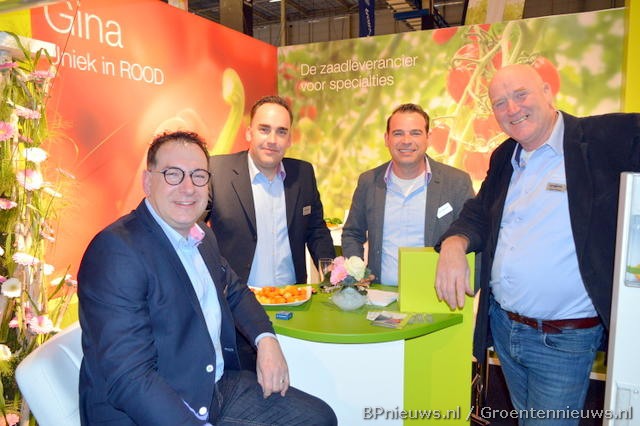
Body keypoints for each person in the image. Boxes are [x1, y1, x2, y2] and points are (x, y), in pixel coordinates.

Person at [78, 131, 337, 425]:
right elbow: (130, 379)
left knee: (320, 418)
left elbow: (235, 291)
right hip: (155, 409)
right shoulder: (117, 251)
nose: (188, 188)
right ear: (148, 181)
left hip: (213, 388)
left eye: (199, 176)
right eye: (173, 174)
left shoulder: (201, 235)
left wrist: (266, 340)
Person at [435, 63, 640, 423]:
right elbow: (479, 211)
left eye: (521, 94)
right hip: (505, 329)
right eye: (500, 103)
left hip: (562, 339)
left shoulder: (602, 138)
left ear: (547, 92)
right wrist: (454, 241)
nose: (512, 109)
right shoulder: (505, 155)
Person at [208, 95, 335, 288]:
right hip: (238, 297)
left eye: (281, 132)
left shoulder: (303, 173)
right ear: (249, 133)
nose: (272, 140)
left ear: (289, 139)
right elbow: (193, 229)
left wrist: (332, 274)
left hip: (292, 296)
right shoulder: (218, 171)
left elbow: (316, 230)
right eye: (264, 130)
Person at [341, 103, 474, 285]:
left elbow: (473, 234)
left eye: (415, 133)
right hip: (380, 294)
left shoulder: (456, 182)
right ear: (387, 139)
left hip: (435, 295)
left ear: (428, 137)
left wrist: (468, 286)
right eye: (398, 133)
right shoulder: (369, 182)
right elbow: (352, 233)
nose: (406, 140)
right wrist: (356, 271)